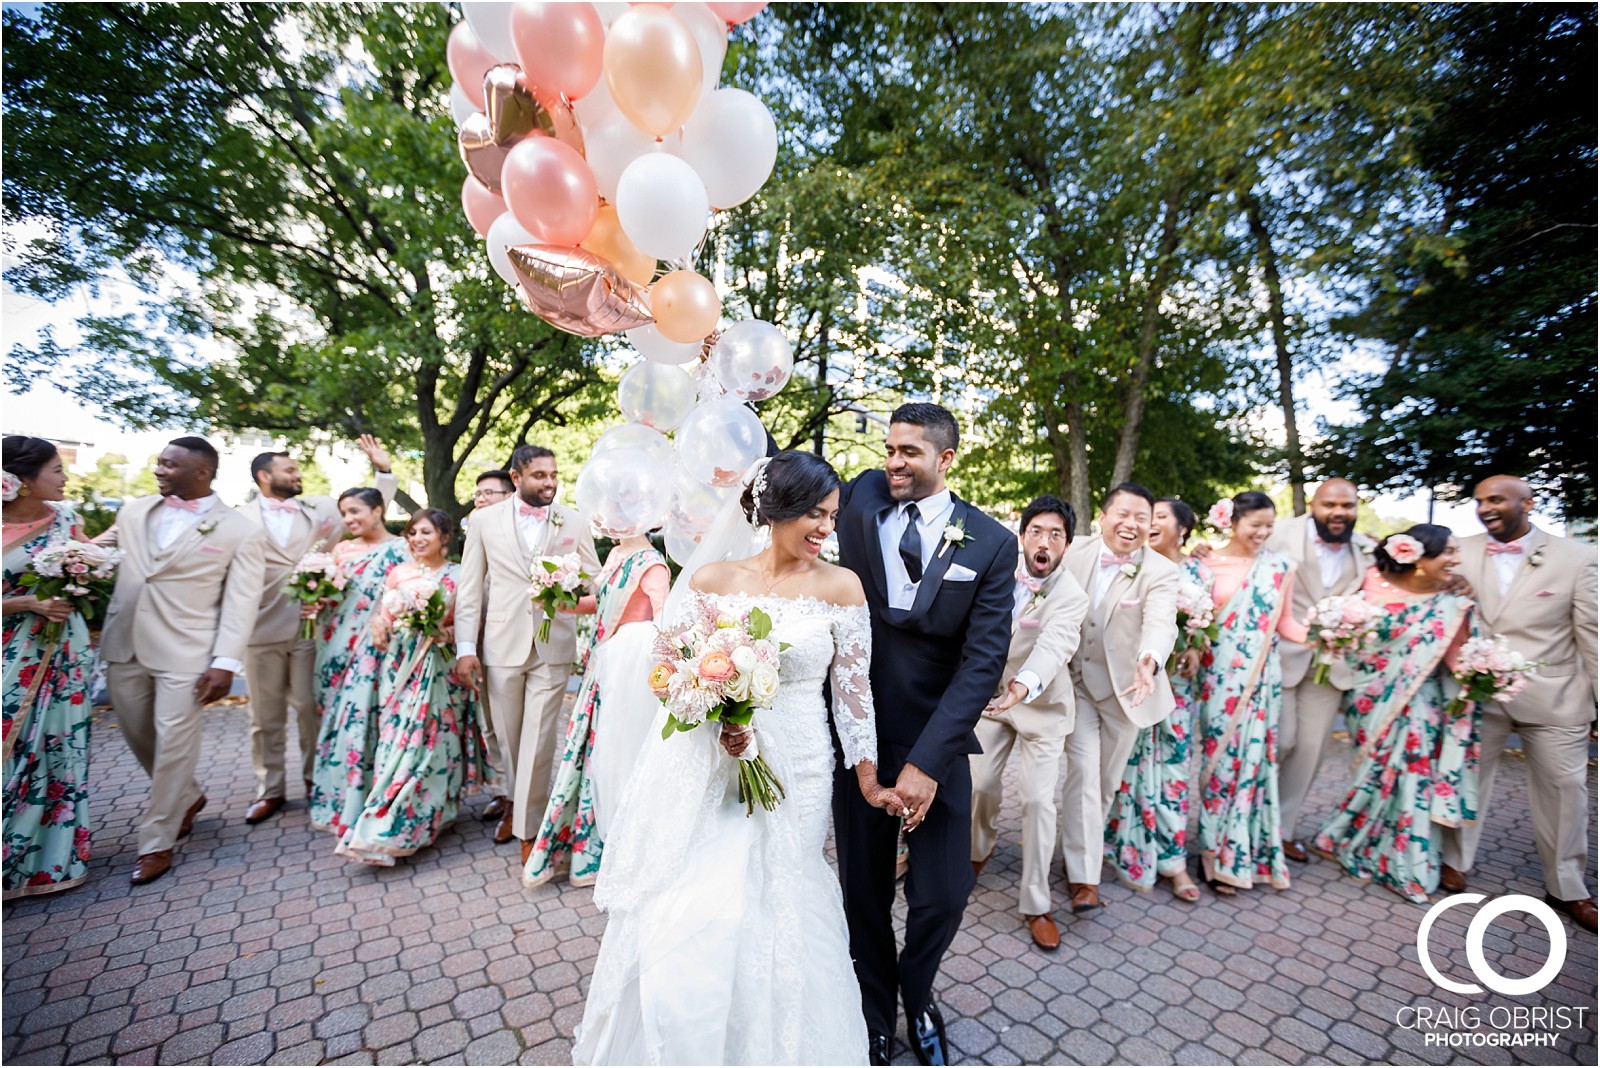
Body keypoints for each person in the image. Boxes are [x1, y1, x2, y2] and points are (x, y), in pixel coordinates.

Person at [574, 451, 905, 1064]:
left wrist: (867, 778)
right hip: (716, 767)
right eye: (814, 513)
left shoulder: (841, 587)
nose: (825, 530)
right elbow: (673, 675)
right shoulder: (709, 582)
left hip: (801, 768)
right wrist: (718, 716)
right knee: (708, 894)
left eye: (832, 518)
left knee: (784, 891)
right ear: (775, 507)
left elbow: (854, 696)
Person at [832, 403, 1015, 1067]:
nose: (894, 461)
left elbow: (982, 663)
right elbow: (777, 475)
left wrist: (930, 763)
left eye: (910, 451)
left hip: (938, 743)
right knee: (864, 891)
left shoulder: (992, 542)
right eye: (889, 449)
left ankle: (920, 990)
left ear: (947, 459)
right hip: (858, 738)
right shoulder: (859, 501)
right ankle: (876, 1010)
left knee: (943, 894)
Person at [97, 437, 267, 885]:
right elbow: (97, 552)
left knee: (174, 743)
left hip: (188, 652)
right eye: (159, 462)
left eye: (169, 465)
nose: (159, 470)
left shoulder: (239, 529)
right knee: (138, 734)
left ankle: (157, 842)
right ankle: (187, 796)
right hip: (124, 642)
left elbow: (241, 601)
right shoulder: (134, 510)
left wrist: (225, 661)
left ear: (202, 473)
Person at [1442, 476, 1597, 932]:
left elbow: (1593, 634)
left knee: (1566, 791)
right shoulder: (1459, 551)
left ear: (1527, 503)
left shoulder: (1578, 557)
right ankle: (1455, 862)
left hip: (1555, 695)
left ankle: (1567, 887)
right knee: (1467, 779)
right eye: (1478, 501)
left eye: (1495, 500)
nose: (1485, 508)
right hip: (1478, 692)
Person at [1312, 526, 1477, 902]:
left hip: (1419, 705)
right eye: (1447, 553)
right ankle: (1358, 837)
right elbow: (1341, 629)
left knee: (1413, 778)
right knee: (1374, 775)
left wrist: (1489, 671)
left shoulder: (1451, 604)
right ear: (1417, 559)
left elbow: (1456, 661)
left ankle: (1408, 863)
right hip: (1367, 698)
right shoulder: (1368, 581)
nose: (1456, 560)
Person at [239, 435, 395, 826]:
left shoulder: (321, 508)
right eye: (288, 469)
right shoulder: (239, 518)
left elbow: (370, 510)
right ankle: (270, 789)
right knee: (264, 716)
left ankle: (317, 780)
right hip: (260, 626)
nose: (297, 473)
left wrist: (384, 470)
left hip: (315, 628)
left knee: (312, 708)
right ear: (264, 475)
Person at [455, 445, 600, 860]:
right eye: (540, 475)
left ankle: (530, 831)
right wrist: (467, 649)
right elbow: (469, 590)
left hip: (553, 645)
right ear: (516, 478)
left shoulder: (572, 520)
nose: (550, 483)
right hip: (501, 645)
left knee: (538, 740)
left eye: (553, 475)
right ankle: (521, 809)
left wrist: (577, 590)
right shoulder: (483, 521)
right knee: (509, 738)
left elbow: (594, 578)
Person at [336, 509, 490, 865]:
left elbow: (470, 623)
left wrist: (443, 634)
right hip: (401, 669)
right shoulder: (398, 573)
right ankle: (389, 821)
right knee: (400, 743)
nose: (418, 539)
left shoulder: (460, 575)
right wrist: (379, 627)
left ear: (445, 538)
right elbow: (384, 617)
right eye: (411, 533)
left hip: (442, 668)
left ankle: (437, 813)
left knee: (438, 744)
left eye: (426, 533)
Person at [968, 495, 1089, 950]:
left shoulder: (1072, 595)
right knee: (978, 783)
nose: (1044, 541)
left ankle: (1037, 902)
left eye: (1055, 535)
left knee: (1039, 801)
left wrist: (1021, 688)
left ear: (1066, 545)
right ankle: (976, 852)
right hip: (992, 700)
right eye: (1036, 531)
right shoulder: (999, 571)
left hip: (1042, 705)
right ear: (1022, 537)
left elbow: (1055, 644)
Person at [1058, 483, 1180, 913]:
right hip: (1076, 688)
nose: (1131, 525)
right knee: (1084, 778)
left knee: (1105, 785)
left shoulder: (1161, 571)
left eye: (1141, 518)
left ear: (1151, 525)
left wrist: (1150, 660)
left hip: (1127, 693)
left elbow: (1162, 623)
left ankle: (1076, 843)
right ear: (1104, 517)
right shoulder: (1074, 552)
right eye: (1123, 515)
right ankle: (1084, 880)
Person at [523, 531, 669, 889]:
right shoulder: (617, 554)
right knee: (599, 750)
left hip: (630, 668)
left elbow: (664, 618)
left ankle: (628, 846)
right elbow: (602, 604)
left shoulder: (652, 564)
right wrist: (560, 601)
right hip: (604, 661)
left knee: (620, 752)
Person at [1193, 491, 1302, 895]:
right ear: (1231, 521)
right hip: (1215, 679)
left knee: (1252, 766)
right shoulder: (1202, 563)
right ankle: (1211, 852)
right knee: (1219, 765)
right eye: (1255, 524)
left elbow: (1286, 623)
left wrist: (1328, 636)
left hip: (1260, 681)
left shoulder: (1280, 567)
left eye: (1269, 526)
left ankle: (1236, 856)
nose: (1263, 532)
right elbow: (1193, 622)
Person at [1, 437, 95, 899]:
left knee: (62, 749)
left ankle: (50, 863)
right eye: (56, 469)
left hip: (64, 654)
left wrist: (88, 576)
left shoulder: (68, 519)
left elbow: (88, 575)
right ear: (22, 481)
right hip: (10, 653)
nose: (64, 477)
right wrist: (25, 601)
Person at [1265, 478, 1376, 862]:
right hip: (1278, 656)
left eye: (1346, 506)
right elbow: (1238, 553)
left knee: (1310, 750)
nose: (1338, 513)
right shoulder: (1278, 533)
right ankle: (1249, 820)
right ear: (1314, 503)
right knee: (1280, 742)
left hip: (1331, 664)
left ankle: (1282, 831)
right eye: (1330, 505)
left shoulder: (1367, 548)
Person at [1105, 497, 1208, 903]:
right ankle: (1123, 851)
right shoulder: (1126, 563)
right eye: (1151, 517)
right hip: (1131, 687)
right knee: (1127, 773)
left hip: (1177, 689)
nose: (1150, 524)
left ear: (1183, 528)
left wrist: (1196, 647)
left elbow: (1203, 626)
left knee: (1174, 775)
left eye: (1160, 517)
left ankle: (1174, 863)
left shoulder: (1200, 570)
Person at [307, 487, 408, 838]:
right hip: (335, 646)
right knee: (337, 721)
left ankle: (372, 799)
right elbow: (332, 597)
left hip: (376, 649)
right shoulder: (340, 551)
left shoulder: (401, 549)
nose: (349, 520)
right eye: (344, 514)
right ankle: (338, 799)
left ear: (378, 510)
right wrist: (314, 600)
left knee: (366, 721)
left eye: (355, 511)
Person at [468, 468, 516, 827]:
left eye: (489, 493)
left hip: (512, 641)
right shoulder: (478, 528)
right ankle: (502, 789)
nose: (480, 500)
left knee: (509, 725)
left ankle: (518, 795)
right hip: (482, 640)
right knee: (488, 722)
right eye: (477, 494)